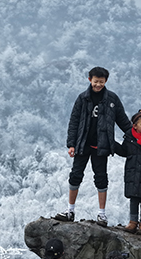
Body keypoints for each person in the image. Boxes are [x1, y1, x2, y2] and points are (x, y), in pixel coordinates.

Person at [54, 67, 132, 226]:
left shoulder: (112, 99)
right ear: (90, 80)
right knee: (75, 175)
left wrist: (135, 135)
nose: (98, 85)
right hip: (83, 144)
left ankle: (102, 215)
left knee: (101, 178)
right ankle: (70, 211)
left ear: (106, 81)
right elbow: (74, 122)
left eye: (101, 82)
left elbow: (123, 121)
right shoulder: (82, 98)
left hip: (101, 146)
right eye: (96, 81)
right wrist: (71, 144)